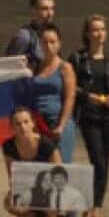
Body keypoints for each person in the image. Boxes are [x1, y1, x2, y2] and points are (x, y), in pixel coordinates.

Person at [68, 14, 109, 215]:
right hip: (89, 117)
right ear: (87, 33)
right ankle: (91, 204)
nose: (99, 33)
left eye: (102, 29)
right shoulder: (79, 59)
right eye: (95, 30)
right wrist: (87, 96)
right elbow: (71, 86)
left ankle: (95, 206)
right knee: (97, 160)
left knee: (104, 162)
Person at [1, 106, 61, 216]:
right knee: (9, 202)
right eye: (17, 124)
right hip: (27, 189)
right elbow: (13, 178)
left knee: (52, 206)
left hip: (49, 190)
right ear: (12, 127)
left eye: (26, 122)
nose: (22, 127)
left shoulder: (47, 144)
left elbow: (58, 174)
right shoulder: (8, 146)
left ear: (33, 123)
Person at [29, 24, 76, 162]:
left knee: (61, 169)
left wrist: (61, 125)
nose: (48, 46)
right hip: (38, 124)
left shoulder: (65, 67)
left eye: (52, 42)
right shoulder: (35, 67)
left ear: (59, 44)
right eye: (44, 42)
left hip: (58, 123)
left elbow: (70, 98)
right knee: (40, 170)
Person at [6, 0, 55, 72]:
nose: (50, 14)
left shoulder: (53, 35)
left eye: (52, 8)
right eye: (44, 9)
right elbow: (9, 68)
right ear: (33, 10)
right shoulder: (24, 37)